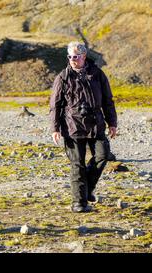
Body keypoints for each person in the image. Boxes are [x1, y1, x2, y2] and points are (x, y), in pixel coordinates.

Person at [49, 41, 118, 213]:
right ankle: (79, 202)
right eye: (70, 57)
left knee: (103, 155)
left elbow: (108, 101)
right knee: (77, 164)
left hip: (96, 124)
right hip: (72, 127)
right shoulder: (63, 77)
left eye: (76, 57)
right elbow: (55, 105)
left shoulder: (98, 74)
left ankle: (86, 189)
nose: (72, 60)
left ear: (84, 56)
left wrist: (113, 123)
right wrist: (55, 128)